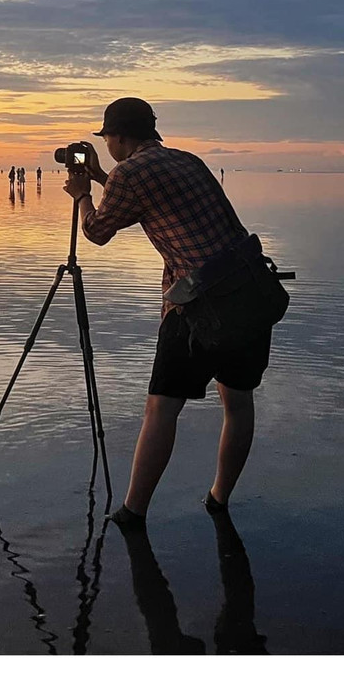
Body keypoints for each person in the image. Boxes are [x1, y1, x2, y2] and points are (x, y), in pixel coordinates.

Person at [62, 98, 268, 526]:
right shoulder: (185, 160)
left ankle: (133, 512)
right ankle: (219, 499)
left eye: (108, 139)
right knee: (237, 401)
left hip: (198, 306)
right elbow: (145, 200)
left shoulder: (130, 174)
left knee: (161, 408)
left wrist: (83, 194)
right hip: (248, 291)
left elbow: (97, 232)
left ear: (117, 137)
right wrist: (102, 176)